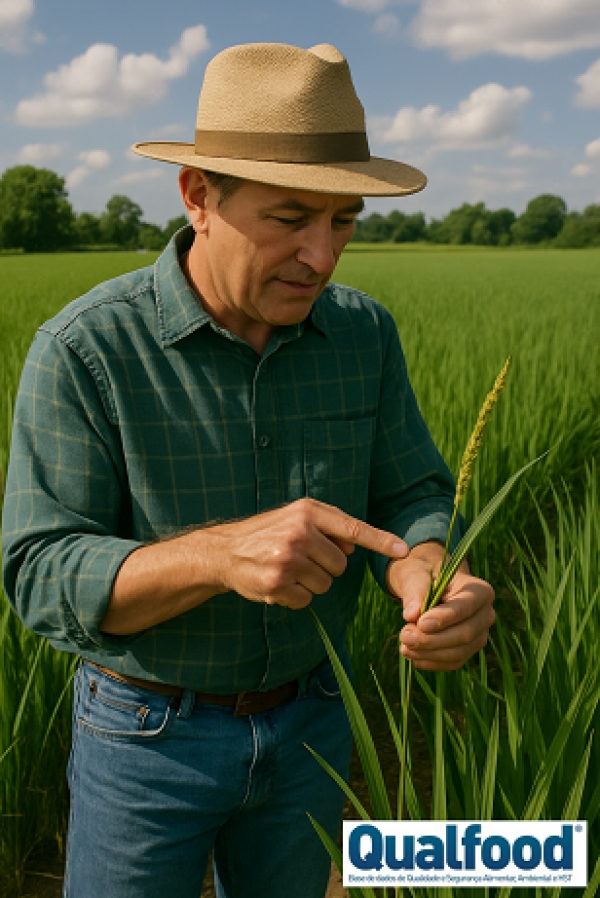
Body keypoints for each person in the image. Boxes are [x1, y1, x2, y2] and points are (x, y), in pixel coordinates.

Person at [2, 42, 495, 898]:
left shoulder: (364, 334)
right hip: (145, 738)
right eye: (289, 217)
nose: (322, 255)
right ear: (198, 196)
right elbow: (40, 571)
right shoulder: (86, 350)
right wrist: (220, 555)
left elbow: (412, 491)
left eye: (344, 221)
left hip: (314, 722)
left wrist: (427, 566)